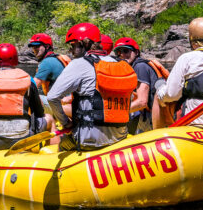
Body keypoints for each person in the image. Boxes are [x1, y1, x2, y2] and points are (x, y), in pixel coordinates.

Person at [46, 22, 137, 150]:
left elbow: (52, 97)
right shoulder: (121, 65)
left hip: (90, 141)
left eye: (73, 45)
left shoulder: (79, 64)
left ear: (85, 43)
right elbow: (130, 99)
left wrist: (66, 123)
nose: (70, 51)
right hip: (120, 138)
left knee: (62, 145)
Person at [113, 37, 165, 134]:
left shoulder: (140, 67)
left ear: (136, 53)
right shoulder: (133, 67)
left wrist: (117, 112)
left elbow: (142, 102)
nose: (122, 55)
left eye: (126, 51)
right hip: (147, 114)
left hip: (154, 117)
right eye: (119, 53)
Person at [27, 33, 70, 129]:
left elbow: (31, 87)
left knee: (28, 98)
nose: (35, 49)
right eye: (33, 47)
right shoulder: (59, 58)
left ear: (47, 46)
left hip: (61, 104)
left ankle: (29, 128)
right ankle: (53, 122)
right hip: (68, 101)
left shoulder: (47, 63)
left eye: (38, 46)